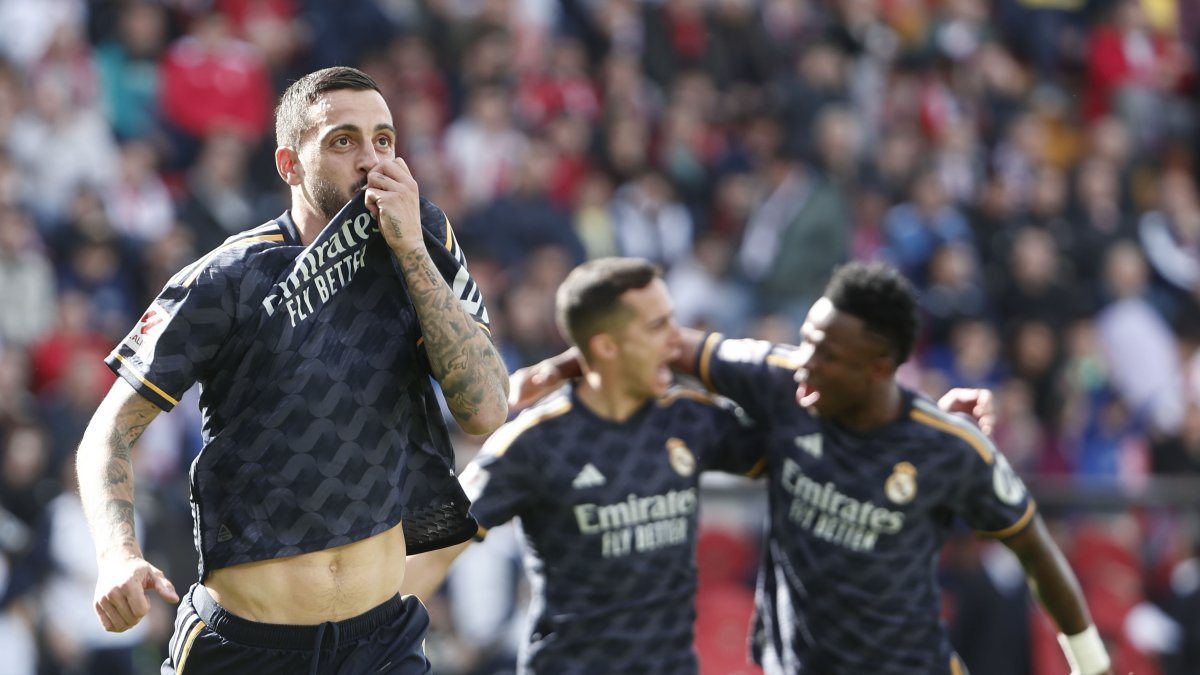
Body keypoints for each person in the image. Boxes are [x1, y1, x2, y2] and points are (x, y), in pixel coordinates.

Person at [75, 66, 509, 674]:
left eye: (384, 140)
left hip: (382, 642)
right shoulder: (227, 277)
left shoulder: (424, 245)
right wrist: (118, 554)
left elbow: (486, 410)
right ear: (288, 164)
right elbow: (107, 433)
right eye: (343, 141)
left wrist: (412, 250)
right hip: (247, 648)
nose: (370, 159)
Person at [512, 261, 1111, 675]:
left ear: (880, 368)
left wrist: (1092, 665)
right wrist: (564, 369)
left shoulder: (949, 448)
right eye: (807, 340)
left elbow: (1033, 550)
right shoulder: (781, 380)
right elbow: (661, 340)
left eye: (827, 354)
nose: (806, 363)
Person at [406, 257, 994, 675]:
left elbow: (814, 452)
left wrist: (909, 427)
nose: (677, 342)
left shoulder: (687, 419)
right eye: (659, 326)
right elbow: (429, 549)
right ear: (607, 347)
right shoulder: (533, 442)